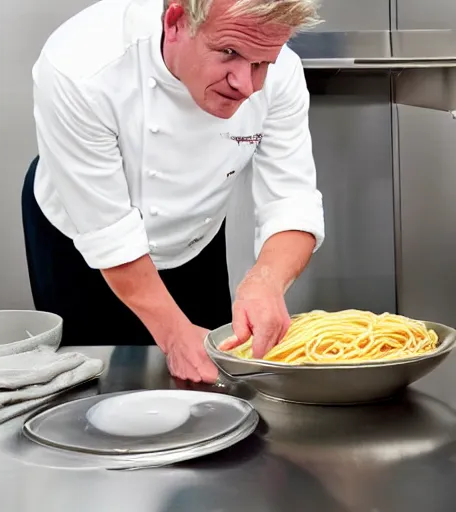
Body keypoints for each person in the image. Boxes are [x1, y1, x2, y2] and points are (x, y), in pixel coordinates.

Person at [21, 0, 325, 384]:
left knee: (204, 381)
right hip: (79, 241)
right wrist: (172, 333)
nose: (246, 84)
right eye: (229, 53)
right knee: (90, 388)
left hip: (193, 238)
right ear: (176, 22)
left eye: (261, 64)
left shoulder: (282, 74)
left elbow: (291, 201)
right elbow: (108, 232)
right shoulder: (81, 66)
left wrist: (266, 280)